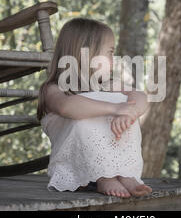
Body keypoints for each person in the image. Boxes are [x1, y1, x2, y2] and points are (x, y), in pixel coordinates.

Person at [37, 18, 152, 198]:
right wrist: (115, 108)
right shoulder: (55, 89)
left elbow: (140, 96)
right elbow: (68, 107)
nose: (114, 60)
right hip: (78, 164)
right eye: (110, 53)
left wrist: (128, 113)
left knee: (130, 108)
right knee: (85, 114)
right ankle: (104, 176)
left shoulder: (107, 84)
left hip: (116, 161)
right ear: (87, 54)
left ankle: (124, 173)